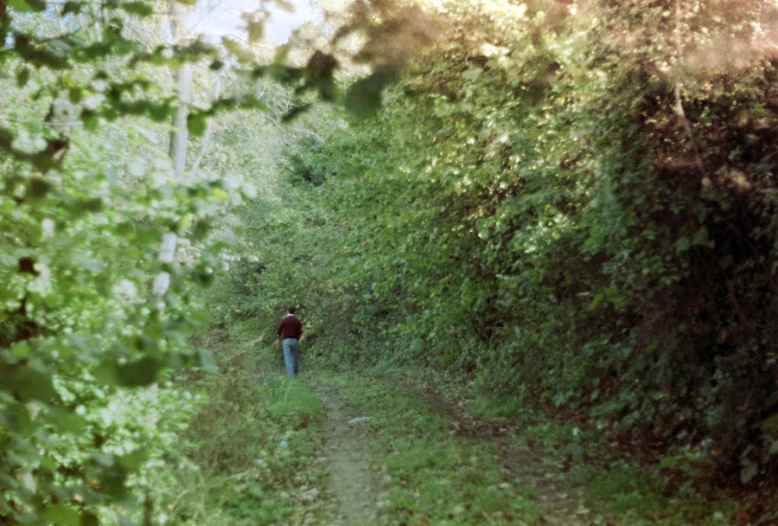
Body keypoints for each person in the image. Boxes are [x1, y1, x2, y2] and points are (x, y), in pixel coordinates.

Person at [276, 306, 303, 376]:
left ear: (287, 311)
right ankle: (296, 373)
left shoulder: (284, 320)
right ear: (294, 311)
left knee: (288, 357)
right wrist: (298, 338)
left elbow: (279, 330)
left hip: (286, 340)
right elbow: (300, 331)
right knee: (295, 357)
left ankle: (291, 375)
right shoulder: (297, 320)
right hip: (295, 340)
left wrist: (278, 339)